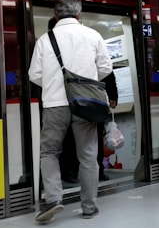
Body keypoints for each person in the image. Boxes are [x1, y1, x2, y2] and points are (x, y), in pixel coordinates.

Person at [29, 0, 112, 222]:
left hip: (55, 103)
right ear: (79, 14)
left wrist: (55, 83)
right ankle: (89, 207)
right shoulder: (93, 36)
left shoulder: (45, 39)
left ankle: (54, 199)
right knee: (87, 155)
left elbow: (34, 75)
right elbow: (105, 68)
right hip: (85, 103)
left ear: (55, 16)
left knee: (49, 152)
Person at [48, 16, 118, 183]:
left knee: (74, 140)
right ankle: (82, 174)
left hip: (81, 99)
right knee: (84, 140)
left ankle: (79, 172)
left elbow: (106, 71)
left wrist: (112, 94)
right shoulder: (83, 42)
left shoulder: (64, 46)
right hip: (89, 98)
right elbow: (106, 69)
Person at [98, 71, 118, 180]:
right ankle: (98, 171)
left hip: (74, 100)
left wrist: (113, 95)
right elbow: (107, 72)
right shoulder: (96, 54)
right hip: (96, 100)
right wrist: (113, 96)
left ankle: (70, 171)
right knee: (97, 139)